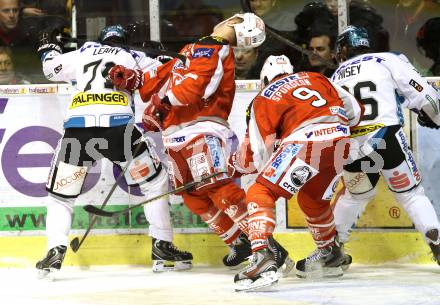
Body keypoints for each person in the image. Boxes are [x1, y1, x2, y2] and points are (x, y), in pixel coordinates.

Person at [108, 13, 294, 276]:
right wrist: (132, 79)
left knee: (215, 185)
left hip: (200, 128)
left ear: (234, 23)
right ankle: (238, 242)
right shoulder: (195, 48)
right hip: (176, 134)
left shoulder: (213, 46)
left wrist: (164, 103)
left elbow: (196, 85)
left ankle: (267, 247)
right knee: (191, 194)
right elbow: (164, 77)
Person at [34, 24, 192, 278]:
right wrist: (163, 56)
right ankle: (162, 245)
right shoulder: (135, 55)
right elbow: (166, 72)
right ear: (125, 39)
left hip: (79, 130)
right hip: (119, 128)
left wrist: (48, 49)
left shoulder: (83, 52)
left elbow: (51, 69)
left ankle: (54, 250)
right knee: (155, 183)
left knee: (61, 197)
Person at [231, 54, 362, 289]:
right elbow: (355, 110)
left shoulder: (265, 95)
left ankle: (262, 257)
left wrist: (241, 167)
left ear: (264, 80)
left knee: (261, 190)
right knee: (313, 199)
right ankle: (330, 255)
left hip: (305, 142)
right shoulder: (317, 77)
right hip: (341, 141)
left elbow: (258, 152)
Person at [330, 25, 440, 270]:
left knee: (354, 196)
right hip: (385, 137)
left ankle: (331, 250)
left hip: (353, 144)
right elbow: (424, 94)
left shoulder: (336, 74)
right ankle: (438, 245)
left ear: (344, 48)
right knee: (411, 195)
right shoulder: (387, 59)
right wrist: (434, 116)